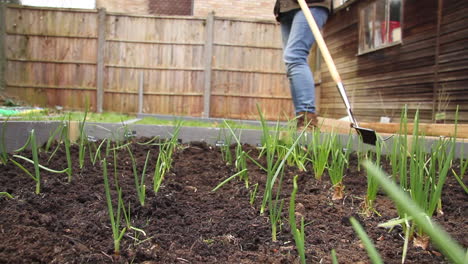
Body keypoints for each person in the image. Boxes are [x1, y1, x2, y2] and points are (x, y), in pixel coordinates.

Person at [274, 0, 332, 130]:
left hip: (312, 3)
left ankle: (308, 120)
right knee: (291, 64)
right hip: (287, 7)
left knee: (294, 56)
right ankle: (301, 120)